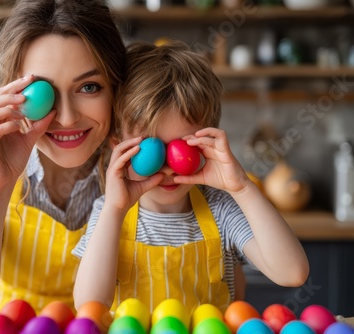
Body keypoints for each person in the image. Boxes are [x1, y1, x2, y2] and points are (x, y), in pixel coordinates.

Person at [0, 0, 126, 329]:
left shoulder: (136, 148)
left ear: (115, 88)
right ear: (14, 88)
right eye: (44, 92)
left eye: (89, 87)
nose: (68, 118)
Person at [72, 41, 309, 318]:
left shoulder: (221, 210)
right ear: (118, 146)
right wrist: (114, 209)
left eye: (183, 148)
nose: (170, 168)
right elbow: (89, 306)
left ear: (206, 143)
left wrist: (242, 188)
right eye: (152, 149)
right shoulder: (109, 211)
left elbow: (293, 273)